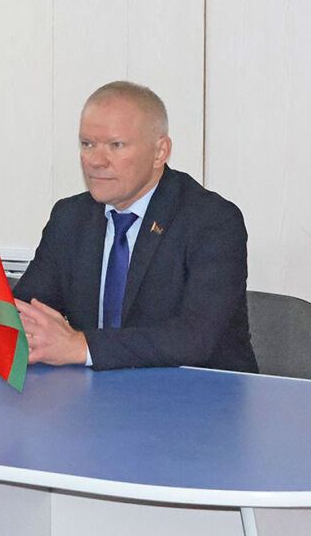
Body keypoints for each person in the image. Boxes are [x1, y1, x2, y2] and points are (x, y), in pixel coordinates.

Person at [13, 81, 258, 372]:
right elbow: (27, 307)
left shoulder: (212, 221)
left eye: (116, 145)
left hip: (198, 391)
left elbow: (194, 338)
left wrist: (80, 346)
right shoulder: (70, 217)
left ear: (160, 152)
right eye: (87, 144)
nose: (96, 161)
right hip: (92, 391)